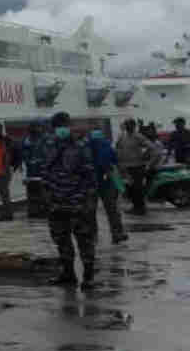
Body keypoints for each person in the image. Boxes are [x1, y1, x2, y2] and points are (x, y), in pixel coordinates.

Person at [42, 112, 97, 288]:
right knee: (61, 239)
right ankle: (68, 274)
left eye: (63, 125)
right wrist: (49, 196)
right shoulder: (49, 145)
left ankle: (88, 277)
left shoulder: (81, 146)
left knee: (84, 240)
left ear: (69, 125)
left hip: (77, 202)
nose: (61, 129)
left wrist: (85, 200)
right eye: (57, 126)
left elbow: (89, 176)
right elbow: (45, 172)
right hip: (57, 203)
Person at [84, 127, 126, 242]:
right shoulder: (107, 146)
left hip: (91, 183)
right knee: (112, 209)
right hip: (107, 182)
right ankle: (117, 233)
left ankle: (92, 235)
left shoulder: (87, 147)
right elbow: (114, 163)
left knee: (90, 211)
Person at [116, 119, 157, 216]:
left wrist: (146, 158)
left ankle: (141, 208)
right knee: (129, 189)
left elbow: (152, 148)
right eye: (127, 124)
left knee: (137, 189)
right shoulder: (122, 136)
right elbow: (118, 148)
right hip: (125, 168)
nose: (128, 126)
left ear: (134, 126)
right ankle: (135, 207)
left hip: (137, 167)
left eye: (130, 125)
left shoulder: (138, 136)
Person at [20, 121, 49, 218]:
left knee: (43, 193)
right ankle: (33, 211)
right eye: (34, 127)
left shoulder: (45, 139)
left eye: (38, 127)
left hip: (42, 171)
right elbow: (23, 153)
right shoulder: (26, 140)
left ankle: (44, 210)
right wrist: (28, 160)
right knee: (32, 192)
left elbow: (47, 154)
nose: (36, 129)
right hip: (30, 172)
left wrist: (40, 161)